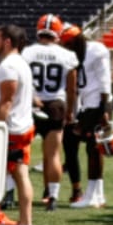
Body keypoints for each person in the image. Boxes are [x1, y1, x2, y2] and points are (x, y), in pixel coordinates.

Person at [21, 14, 79, 212]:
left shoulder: (27, 53)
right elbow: (72, 89)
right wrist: (71, 111)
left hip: (32, 104)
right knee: (53, 154)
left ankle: (14, 193)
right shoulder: (67, 55)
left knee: (22, 152)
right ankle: (53, 196)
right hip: (56, 104)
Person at [0, 23, 36, 225]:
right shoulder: (21, 63)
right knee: (15, 173)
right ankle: (20, 221)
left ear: (7, 41)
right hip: (21, 125)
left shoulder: (9, 66)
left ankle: (24, 222)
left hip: (13, 129)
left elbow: (6, 101)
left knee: (14, 174)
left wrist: (0, 126)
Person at [62, 24, 113, 208]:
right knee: (91, 148)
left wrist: (104, 109)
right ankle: (96, 194)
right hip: (87, 105)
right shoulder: (76, 53)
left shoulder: (96, 50)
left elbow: (104, 79)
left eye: (69, 44)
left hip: (98, 104)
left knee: (93, 148)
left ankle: (93, 195)